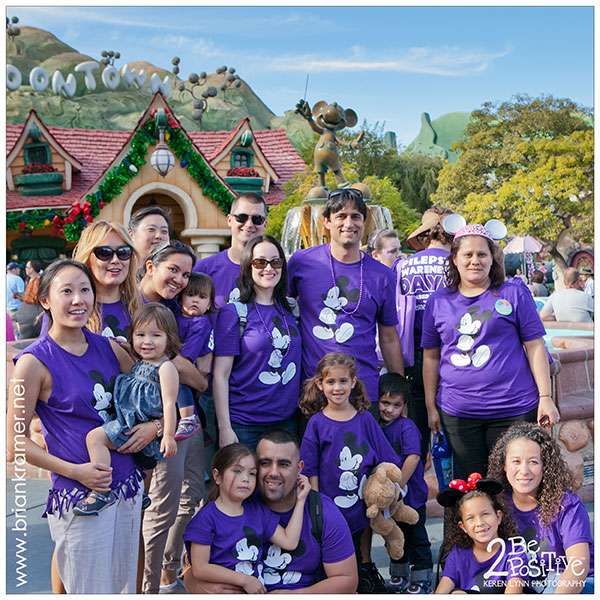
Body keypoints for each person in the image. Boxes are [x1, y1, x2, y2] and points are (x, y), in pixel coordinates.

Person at [7, 260, 143, 593]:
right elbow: (14, 443)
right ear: (45, 300)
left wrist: (153, 428)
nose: (78, 299)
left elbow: (145, 399)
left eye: (85, 290)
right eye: (66, 291)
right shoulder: (31, 364)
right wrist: (76, 472)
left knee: (123, 588)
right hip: (79, 496)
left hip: (127, 486)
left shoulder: (111, 348)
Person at [422, 223, 560, 479]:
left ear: (492, 258)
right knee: (470, 486)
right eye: (468, 254)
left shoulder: (514, 292)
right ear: (454, 259)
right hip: (459, 414)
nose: (475, 260)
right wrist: (431, 407)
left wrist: (545, 397)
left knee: (512, 483)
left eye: (482, 254)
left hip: (514, 409)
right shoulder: (438, 301)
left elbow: (535, 346)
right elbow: (430, 356)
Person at [183, 429, 358, 593]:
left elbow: (347, 580)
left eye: (284, 464)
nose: (273, 472)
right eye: (265, 463)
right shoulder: (236, 502)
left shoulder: (321, 510)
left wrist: (294, 595)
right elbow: (192, 572)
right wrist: (203, 589)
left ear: (299, 468)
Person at [138, 241, 209, 594]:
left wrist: (191, 373)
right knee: (161, 505)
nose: (180, 280)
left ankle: (167, 569)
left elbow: (197, 376)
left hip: (186, 417)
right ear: (151, 266)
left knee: (191, 494)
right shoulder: (135, 304)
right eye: (174, 270)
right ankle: (148, 586)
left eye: (186, 274)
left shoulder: (176, 307)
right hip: (157, 421)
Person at [288, 188, 403, 405]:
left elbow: (388, 337)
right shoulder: (301, 263)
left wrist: (399, 394)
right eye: (341, 216)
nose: (348, 223)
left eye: (355, 217)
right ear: (326, 221)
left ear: (364, 222)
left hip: (363, 390)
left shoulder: (383, 275)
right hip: (315, 388)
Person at [299, 352, 401, 593]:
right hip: (329, 508)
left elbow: (386, 459)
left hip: (361, 504)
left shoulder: (365, 419)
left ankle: (364, 578)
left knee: (359, 548)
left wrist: (387, 489)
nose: (337, 388)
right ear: (320, 384)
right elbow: (310, 468)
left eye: (343, 381)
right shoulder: (316, 423)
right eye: (331, 382)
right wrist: (316, 505)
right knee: (332, 555)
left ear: (353, 382)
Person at [73, 303, 179, 516]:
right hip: (130, 420)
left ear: (169, 339)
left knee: (95, 439)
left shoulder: (166, 368)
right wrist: (127, 348)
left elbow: (169, 403)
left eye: (156, 335)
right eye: (140, 335)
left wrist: (168, 435)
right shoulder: (142, 362)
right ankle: (141, 494)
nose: (147, 341)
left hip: (133, 425)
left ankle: (101, 490)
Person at [182, 443, 310, 593]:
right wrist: (244, 580)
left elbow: (289, 542)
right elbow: (200, 568)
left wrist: (301, 501)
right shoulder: (205, 519)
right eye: (237, 471)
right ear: (217, 476)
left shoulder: (257, 512)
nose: (245, 479)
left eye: (252, 473)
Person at [214, 235, 301, 450]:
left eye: (275, 262)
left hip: (287, 422)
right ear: (248, 266)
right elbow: (220, 375)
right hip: (245, 424)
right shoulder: (233, 312)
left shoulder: (291, 309)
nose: (268, 268)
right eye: (260, 262)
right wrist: (225, 428)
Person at [488, 422, 594, 594]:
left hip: (574, 586)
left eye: (533, 462)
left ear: (546, 466)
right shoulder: (496, 504)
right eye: (516, 461)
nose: (524, 470)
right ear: (504, 465)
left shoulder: (567, 505)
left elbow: (578, 566)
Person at [395, 206, 452, 460]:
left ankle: (416, 482)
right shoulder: (456, 265)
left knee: (415, 437)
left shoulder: (402, 266)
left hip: (412, 355)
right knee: (455, 437)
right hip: (451, 355)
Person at [376, 373, 433, 593]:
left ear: (404, 406)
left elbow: (413, 457)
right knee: (394, 537)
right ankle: (399, 575)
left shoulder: (406, 427)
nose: (389, 409)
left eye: (396, 405)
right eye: (385, 403)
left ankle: (422, 577)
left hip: (411, 496)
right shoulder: (376, 425)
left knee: (416, 537)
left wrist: (398, 486)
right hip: (389, 500)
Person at [435, 475, 526, 594]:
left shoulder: (514, 552)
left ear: (498, 517)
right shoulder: (457, 554)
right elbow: (441, 592)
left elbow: (514, 592)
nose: (479, 523)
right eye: (470, 518)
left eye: (485, 514)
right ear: (463, 527)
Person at [194, 192, 268, 307]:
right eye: (242, 217)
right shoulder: (203, 270)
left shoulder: (273, 272)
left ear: (265, 224)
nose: (249, 224)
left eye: (257, 219)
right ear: (229, 220)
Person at [174, 272, 215, 441]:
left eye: (202, 297)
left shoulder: (201, 323)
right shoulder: (175, 317)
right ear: (180, 298)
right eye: (190, 295)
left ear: (209, 304)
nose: (195, 301)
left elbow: (188, 356)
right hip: (181, 365)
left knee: (180, 384)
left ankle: (188, 418)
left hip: (193, 369)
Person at [15, 259, 44, 339]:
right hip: (28, 315)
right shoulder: (30, 280)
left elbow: (35, 298)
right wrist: (20, 296)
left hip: (32, 316)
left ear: (33, 269)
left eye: (27, 267)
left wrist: (23, 297)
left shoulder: (37, 281)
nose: (25, 269)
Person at [6, 261, 25, 337]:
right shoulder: (17, 279)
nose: (19, 270)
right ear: (13, 270)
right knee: (20, 333)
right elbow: (22, 295)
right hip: (17, 309)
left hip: (6, 310)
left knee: (11, 333)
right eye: (18, 268)